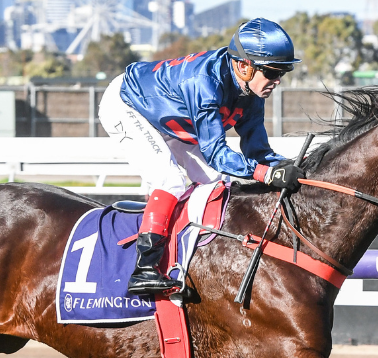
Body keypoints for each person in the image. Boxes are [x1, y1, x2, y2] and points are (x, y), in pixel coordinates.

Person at [98, 18, 306, 295]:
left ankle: (193, 258)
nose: (277, 80)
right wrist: (267, 174)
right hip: (128, 104)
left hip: (172, 118)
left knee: (215, 181)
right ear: (244, 66)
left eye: (283, 72)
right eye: (271, 72)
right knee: (170, 180)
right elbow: (217, 153)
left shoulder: (253, 93)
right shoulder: (205, 83)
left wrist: (290, 166)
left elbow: (257, 152)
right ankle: (144, 269)